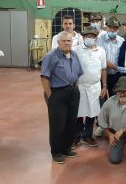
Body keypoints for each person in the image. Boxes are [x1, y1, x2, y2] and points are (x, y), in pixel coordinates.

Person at [41, 31, 83, 164]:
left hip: (73, 91)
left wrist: (75, 88)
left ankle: (66, 148)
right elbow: (44, 78)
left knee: (71, 122)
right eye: (64, 41)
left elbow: (79, 72)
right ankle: (56, 151)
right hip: (57, 93)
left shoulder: (74, 55)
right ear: (58, 42)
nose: (66, 43)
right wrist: (51, 97)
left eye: (69, 41)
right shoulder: (51, 56)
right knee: (58, 124)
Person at [73, 26, 107, 148]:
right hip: (80, 86)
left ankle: (87, 135)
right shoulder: (76, 50)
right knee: (78, 112)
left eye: (92, 36)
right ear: (83, 37)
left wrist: (104, 86)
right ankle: (76, 136)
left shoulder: (101, 51)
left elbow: (103, 69)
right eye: (87, 36)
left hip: (95, 87)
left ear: (96, 38)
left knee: (92, 113)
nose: (90, 38)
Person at [98, 17, 126, 97]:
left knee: (115, 98)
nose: (112, 30)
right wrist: (116, 67)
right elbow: (102, 59)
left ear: (118, 29)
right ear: (106, 28)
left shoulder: (122, 41)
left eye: (115, 28)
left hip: (116, 76)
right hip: (102, 74)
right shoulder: (100, 40)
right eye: (110, 27)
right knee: (101, 99)